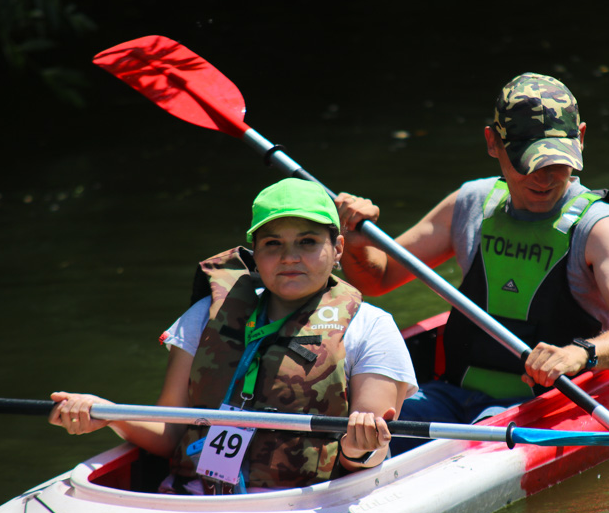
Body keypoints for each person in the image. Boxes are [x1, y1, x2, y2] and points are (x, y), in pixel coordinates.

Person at [335, 72, 609, 453]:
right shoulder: (471, 203)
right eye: (529, 161)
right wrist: (356, 240)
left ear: (581, 139)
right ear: (493, 142)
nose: (545, 177)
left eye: (558, 161)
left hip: (538, 411)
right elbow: (379, 279)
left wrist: (578, 353)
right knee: (361, 439)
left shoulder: (598, 227)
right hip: (449, 397)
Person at [49, 178, 418, 493]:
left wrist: (360, 447)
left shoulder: (371, 328)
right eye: (273, 244)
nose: (290, 257)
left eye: (307, 241)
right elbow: (169, 433)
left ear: (337, 249)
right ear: (254, 254)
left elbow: (366, 461)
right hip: (189, 496)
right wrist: (110, 413)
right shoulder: (207, 316)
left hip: (303, 507)